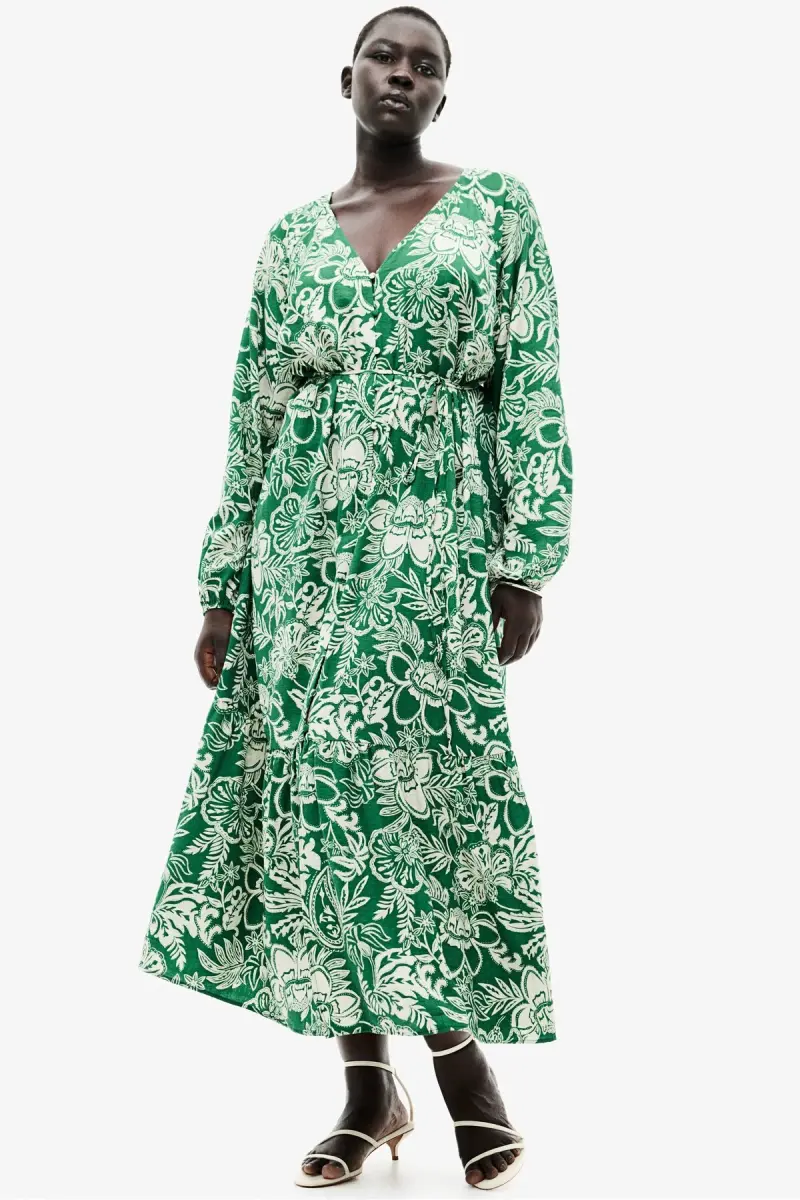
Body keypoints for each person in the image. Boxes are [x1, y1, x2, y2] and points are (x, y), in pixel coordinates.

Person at [138, 4, 572, 1191]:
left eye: (426, 66)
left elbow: (531, 381)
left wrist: (525, 557)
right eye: (386, 55)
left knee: (412, 798)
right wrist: (222, 586)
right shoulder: (289, 239)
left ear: (442, 97)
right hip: (300, 559)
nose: (403, 75)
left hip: (433, 552)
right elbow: (254, 412)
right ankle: (372, 1088)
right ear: (347, 78)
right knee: (322, 804)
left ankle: (457, 1066)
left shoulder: (496, 210)